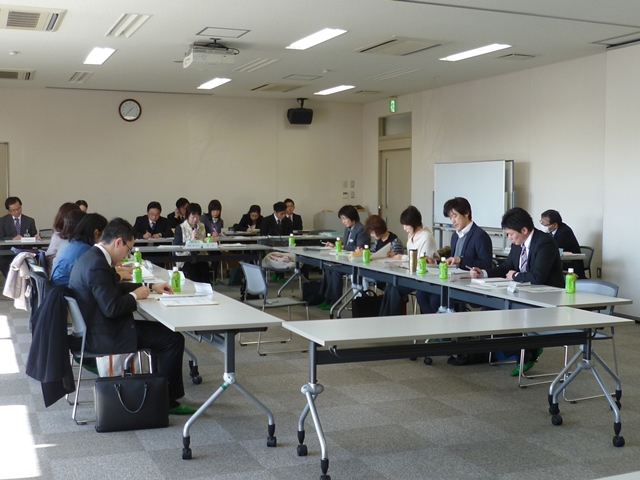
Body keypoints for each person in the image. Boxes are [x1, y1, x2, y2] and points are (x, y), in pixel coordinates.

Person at [68, 218, 195, 415]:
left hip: (96, 328)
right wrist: (135, 295)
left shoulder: (91, 257)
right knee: (172, 338)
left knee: (164, 333)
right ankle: (167, 400)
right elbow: (111, 308)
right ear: (118, 242)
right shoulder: (97, 264)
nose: (127, 253)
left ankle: (159, 393)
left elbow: (113, 287)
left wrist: (149, 287)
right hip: (105, 335)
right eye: (128, 248)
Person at [470, 207, 564, 376]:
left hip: (546, 298)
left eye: (511, 234)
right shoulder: (518, 244)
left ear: (524, 230)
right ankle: (525, 349)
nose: (509, 239)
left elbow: (537, 277)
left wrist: (516, 275)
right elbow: (507, 267)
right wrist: (483, 273)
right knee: (489, 311)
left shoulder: (545, 243)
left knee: (505, 314)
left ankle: (528, 349)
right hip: (524, 295)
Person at [419, 197, 493, 314]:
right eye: (450, 217)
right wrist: (434, 263)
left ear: (467, 213)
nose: (452, 221)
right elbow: (451, 263)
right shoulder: (455, 236)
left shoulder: (480, 236)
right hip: (452, 281)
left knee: (436, 299)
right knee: (421, 293)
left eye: (455, 216)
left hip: (468, 284)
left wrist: (461, 260)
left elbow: (486, 264)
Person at [379, 206, 438, 316]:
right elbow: (411, 257)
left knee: (396, 288)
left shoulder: (426, 237)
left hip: (422, 276)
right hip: (411, 273)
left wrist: (402, 257)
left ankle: (392, 320)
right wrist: (398, 257)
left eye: (406, 225)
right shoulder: (412, 235)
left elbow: (422, 261)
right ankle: (383, 318)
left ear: (414, 223)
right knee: (390, 286)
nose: (404, 228)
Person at [317, 205, 370, 310]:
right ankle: (326, 298)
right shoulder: (348, 229)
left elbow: (359, 248)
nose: (343, 221)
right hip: (345, 259)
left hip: (356, 262)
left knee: (335, 271)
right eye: (342, 219)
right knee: (328, 267)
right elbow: (345, 245)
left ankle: (335, 301)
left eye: (344, 218)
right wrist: (335, 245)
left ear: (352, 217)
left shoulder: (361, 230)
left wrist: (343, 246)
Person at [51, 213, 109, 286]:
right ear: (96, 233)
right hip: (67, 291)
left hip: (59, 288)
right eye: (106, 234)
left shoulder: (76, 244)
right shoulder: (85, 250)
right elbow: (97, 277)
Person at [0, 196, 40, 278]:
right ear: (9, 211)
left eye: (19, 208)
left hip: (25, 251)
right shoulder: (2, 221)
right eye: (13, 210)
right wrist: (12, 239)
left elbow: (33, 235)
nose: (17, 211)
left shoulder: (29, 221)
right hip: (8, 252)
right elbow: (1, 237)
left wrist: (36, 236)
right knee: (2, 261)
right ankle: (11, 280)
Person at [540, 209, 585, 278]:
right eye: (541, 222)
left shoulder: (564, 232)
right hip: (561, 263)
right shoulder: (549, 232)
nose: (543, 225)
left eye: (545, 224)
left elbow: (553, 249)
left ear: (555, 225)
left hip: (570, 266)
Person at [173, 203, 210, 282]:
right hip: (186, 258)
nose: (195, 219)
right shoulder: (181, 227)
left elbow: (207, 239)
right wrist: (190, 240)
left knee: (205, 270)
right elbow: (177, 246)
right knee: (192, 271)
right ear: (187, 216)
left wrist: (209, 240)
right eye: (193, 217)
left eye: (197, 216)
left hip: (201, 256)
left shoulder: (202, 226)